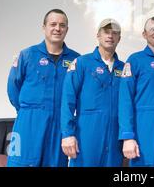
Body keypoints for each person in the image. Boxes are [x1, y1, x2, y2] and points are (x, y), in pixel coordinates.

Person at [7, 9, 80, 167]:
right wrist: (27, 112)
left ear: (67, 29)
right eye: (53, 24)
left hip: (59, 125)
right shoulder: (27, 55)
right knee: (20, 162)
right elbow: (13, 89)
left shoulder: (76, 60)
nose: (57, 28)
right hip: (28, 123)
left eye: (62, 25)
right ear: (44, 27)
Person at [61, 18, 124, 166]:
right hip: (87, 134)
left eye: (115, 33)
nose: (110, 36)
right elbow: (67, 101)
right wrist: (67, 134)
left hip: (114, 137)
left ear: (119, 38)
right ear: (98, 35)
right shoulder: (82, 63)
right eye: (106, 32)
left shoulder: (124, 68)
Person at [118, 17, 154, 167]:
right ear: (144, 34)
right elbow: (125, 100)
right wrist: (128, 137)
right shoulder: (135, 60)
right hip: (144, 130)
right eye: (152, 29)